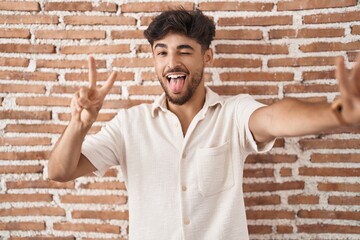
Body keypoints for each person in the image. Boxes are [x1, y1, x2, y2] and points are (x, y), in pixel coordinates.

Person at [48, 8, 360, 240]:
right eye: (162, 53)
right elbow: (59, 172)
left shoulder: (233, 113)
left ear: (206, 57)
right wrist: (79, 123)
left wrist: (338, 114)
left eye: (184, 51)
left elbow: (277, 116)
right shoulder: (130, 124)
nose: (172, 63)